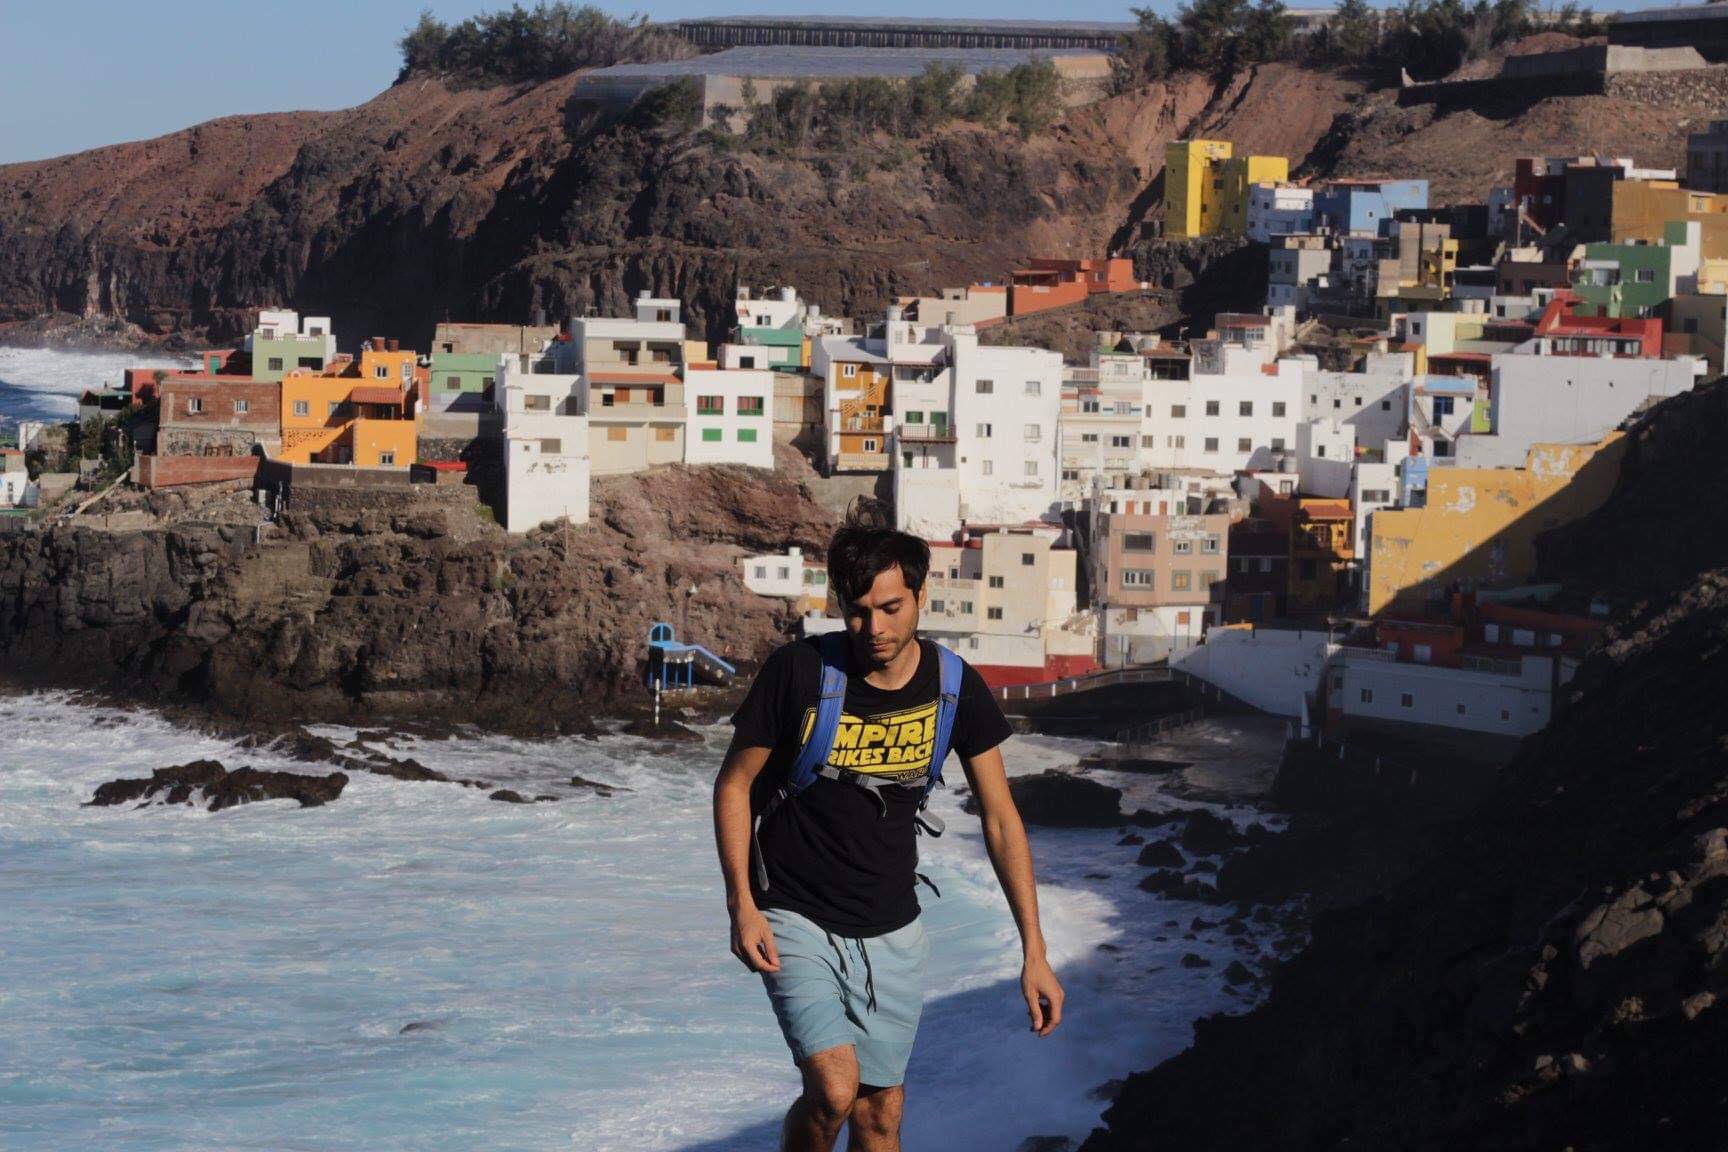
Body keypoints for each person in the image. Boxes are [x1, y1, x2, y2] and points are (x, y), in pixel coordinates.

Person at [712, 504, 1064, 1152]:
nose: (872, 628)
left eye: (890, 608)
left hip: (893, 930)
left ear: (922, 596)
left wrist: (1034, 952)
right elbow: (734, 785)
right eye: (857, 611)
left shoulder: (954, 687)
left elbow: (1001, 819)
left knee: (881, 1118)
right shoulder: (800, 673)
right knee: (834, 1090)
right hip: (794, 913)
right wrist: (741, 903)